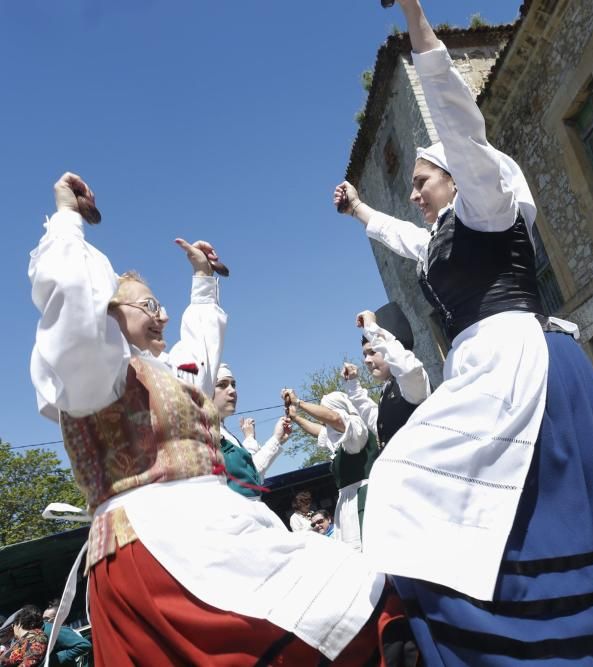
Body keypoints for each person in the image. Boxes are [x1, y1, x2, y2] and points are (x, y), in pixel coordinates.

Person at [331, 2, 593, 664]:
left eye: (421, 181)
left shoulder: (486, 205)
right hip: (494, 371)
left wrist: (417, 20)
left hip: (522, 365)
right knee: (510, 515)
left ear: (456, 173)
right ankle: (519, 635)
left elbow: (456, 117)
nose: (414, 194)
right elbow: (399, 236)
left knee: (418, 481)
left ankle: (567, 641)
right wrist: (361, 208)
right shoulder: (441, 243)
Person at [29, 173, 396, 665]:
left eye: (161, 306)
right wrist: (68, 218)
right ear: (109, 313)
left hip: (203, 536)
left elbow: (198, 354)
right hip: (160, 548)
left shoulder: (163, 374)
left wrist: (202, 280)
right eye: (148, 305)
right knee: (351, 612)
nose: (161, 315)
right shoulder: (94, 375)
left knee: (363, 605)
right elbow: (72, 302)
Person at [283, 389, 379, 551]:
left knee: (370, 547)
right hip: (349, 503)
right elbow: (319, 432)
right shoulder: (340, 439)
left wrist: (298, 403)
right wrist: (296, 418)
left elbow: (334, 418)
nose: (322, 421)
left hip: (364, 499)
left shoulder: (356, 429)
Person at [343, 303, 431, 448]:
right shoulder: (388, 390)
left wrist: (372, 329)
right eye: (365, 355)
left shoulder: (412, 380)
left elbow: (406, 368)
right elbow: (374, 419)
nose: (366, 360)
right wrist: (352, 384)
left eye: (372, 352)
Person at [214, 363, 291, 498]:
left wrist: (276, 438)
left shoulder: (223, 431)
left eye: (233, 385)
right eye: (222, 385)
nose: (232, 391)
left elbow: (251, 474)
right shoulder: (199, 433)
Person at [41, 601, 91, 667]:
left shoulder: (75, 631)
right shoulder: (49, 637)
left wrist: (55, 658)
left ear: (56, 619)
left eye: (46, 619)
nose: (44, 623)